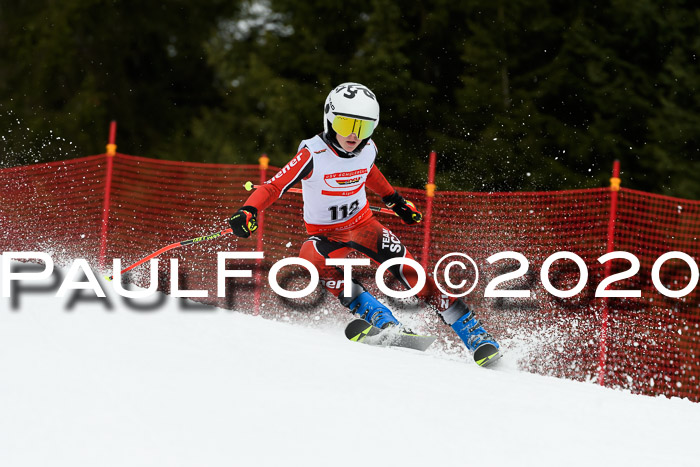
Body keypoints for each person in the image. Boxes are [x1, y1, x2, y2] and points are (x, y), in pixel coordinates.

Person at [228, 82, 500, 366]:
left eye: (364, 128)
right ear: (330, 119)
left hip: (365, 226)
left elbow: (368, 172)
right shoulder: (312, 154)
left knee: (411, 274)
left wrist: (395, 200)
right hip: (326, 235)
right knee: (309, 257)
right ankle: (380, 317)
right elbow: (274, 187)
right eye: (346, 124)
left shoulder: (368, 149)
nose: (353, 135)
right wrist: (248, 210)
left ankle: (474, 334)